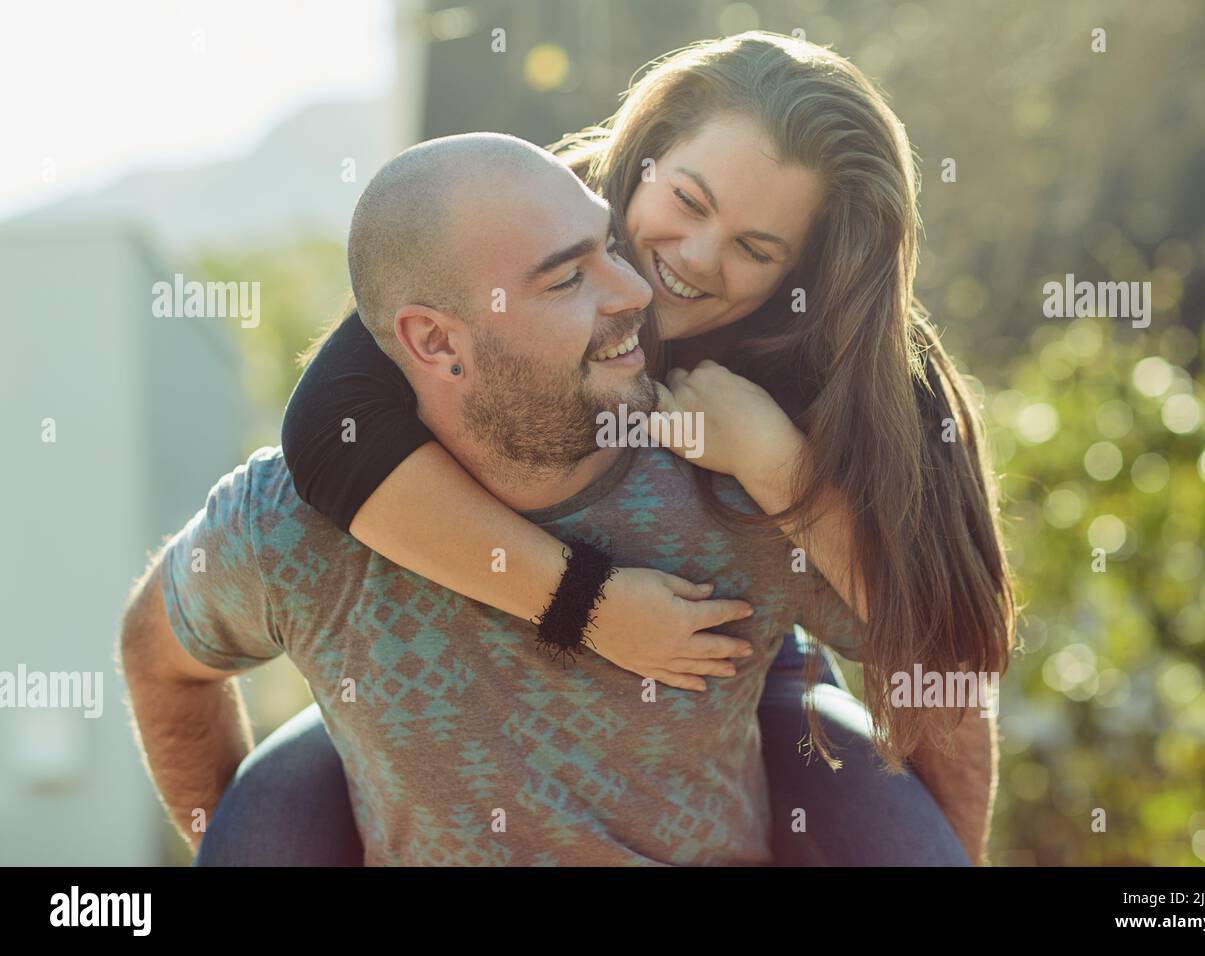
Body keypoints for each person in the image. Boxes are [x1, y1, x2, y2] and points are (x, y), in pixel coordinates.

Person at [120, 132, 970, 865]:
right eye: (567, 280)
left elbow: (940, 661)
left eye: (610, 247)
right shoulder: (293, 526)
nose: (640, 291)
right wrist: (232, 838)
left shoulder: (734, 472)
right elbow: (157, 654)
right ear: (436, 342)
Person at [277, 32, 1015, 861]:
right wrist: (588, 606)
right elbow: (327, 431)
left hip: (736, 649)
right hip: (456, 640)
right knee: (256, 823)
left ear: (806, 267)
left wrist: (774, 461)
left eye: (758, 249)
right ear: (644, 155)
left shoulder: (848, 350)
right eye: (689, 204)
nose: (694, 259)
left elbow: (949, 645)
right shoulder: (544, 222)